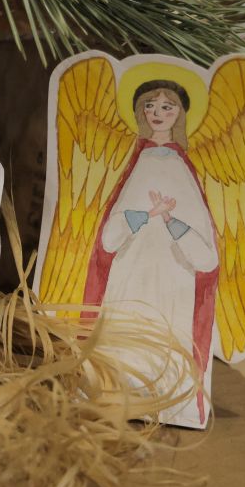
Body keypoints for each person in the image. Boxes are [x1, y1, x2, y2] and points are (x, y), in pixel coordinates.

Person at [84, 80, 219, 426]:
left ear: (180, 114)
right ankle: (115, 394)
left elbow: (207, 257)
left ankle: (170, 404)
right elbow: (109, 239)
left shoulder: (181, 168)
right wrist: (145, 215)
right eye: (150, 106)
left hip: (172, 283)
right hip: (129, 278)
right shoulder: (137, 162)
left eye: (167, 107)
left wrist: (171, 222)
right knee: (124, 343)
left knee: (163, 344)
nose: (157, 113)